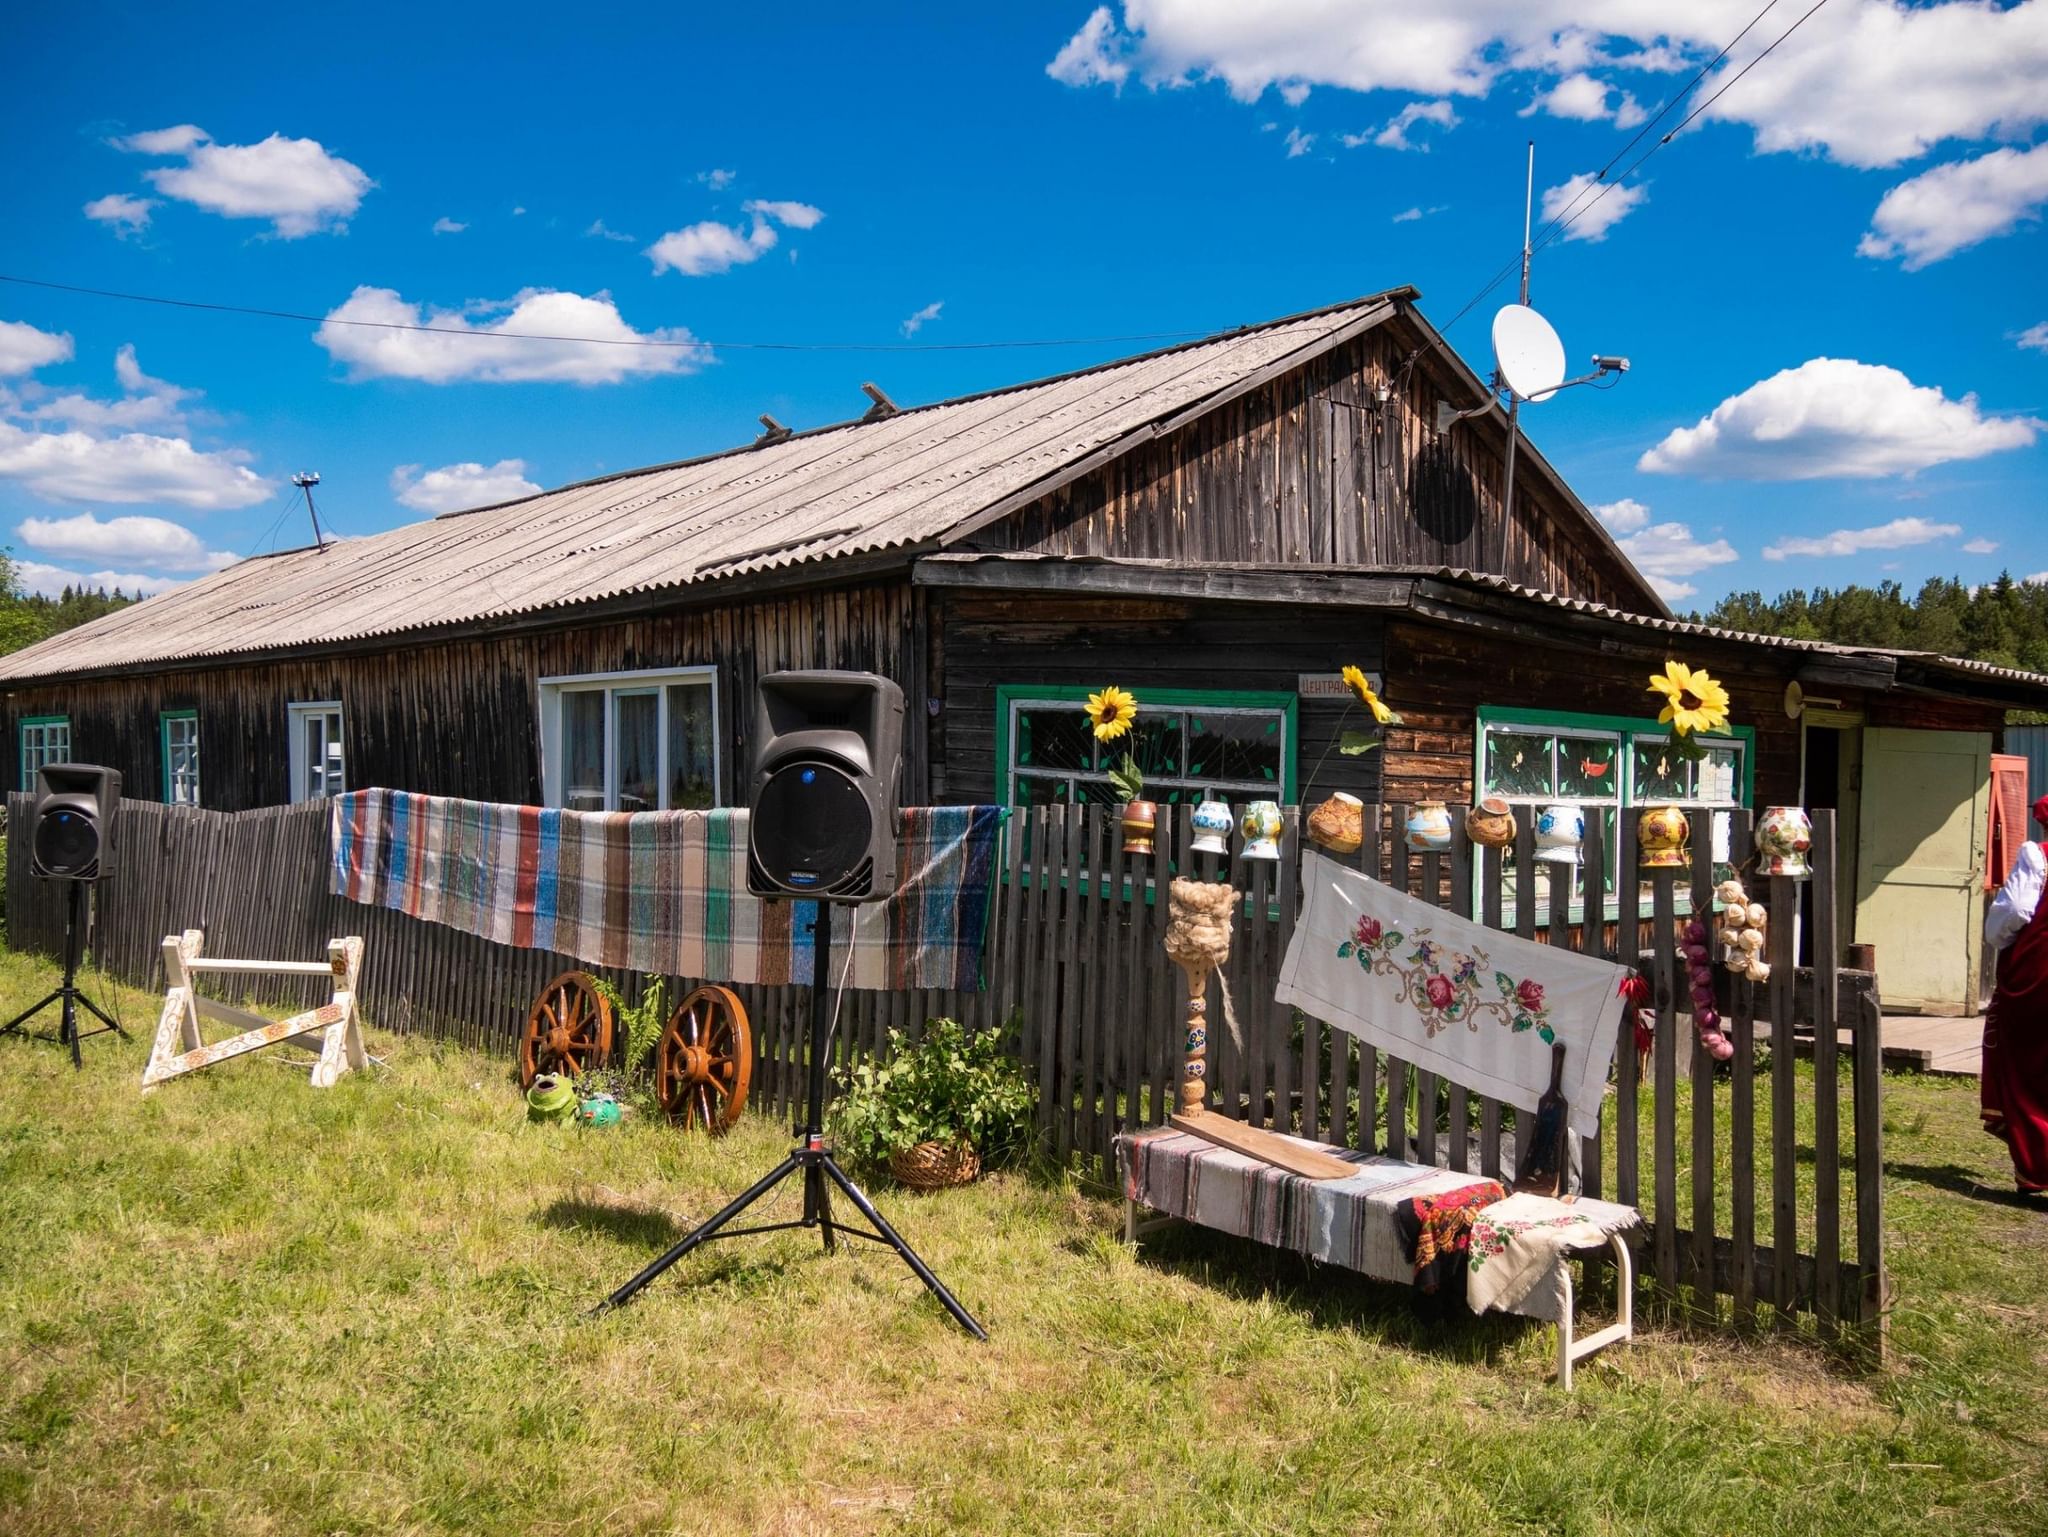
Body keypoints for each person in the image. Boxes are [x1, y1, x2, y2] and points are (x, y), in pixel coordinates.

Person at [1984, 793, 2048, 1196]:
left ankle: (2037, 1165)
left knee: (2029, 1068)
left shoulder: (2037, 856)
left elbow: (2014, 912)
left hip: (2038, 975)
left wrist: (1998, 939)